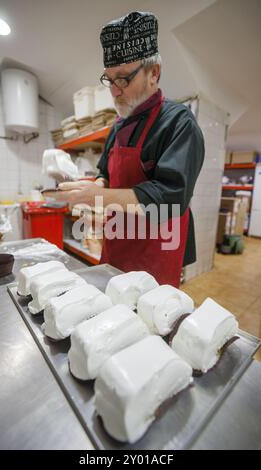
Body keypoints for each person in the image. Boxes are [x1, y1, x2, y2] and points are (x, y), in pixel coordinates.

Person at [54, 11, 204, 287]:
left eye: (123, 78)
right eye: (109, 79)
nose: (114, 91)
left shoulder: (179, 123)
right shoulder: (117, 126)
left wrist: (99, 195)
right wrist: (94, 187)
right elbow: (105, 173)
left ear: (154, 73)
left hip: (156, 251)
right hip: (117, 243)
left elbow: (171, 197)